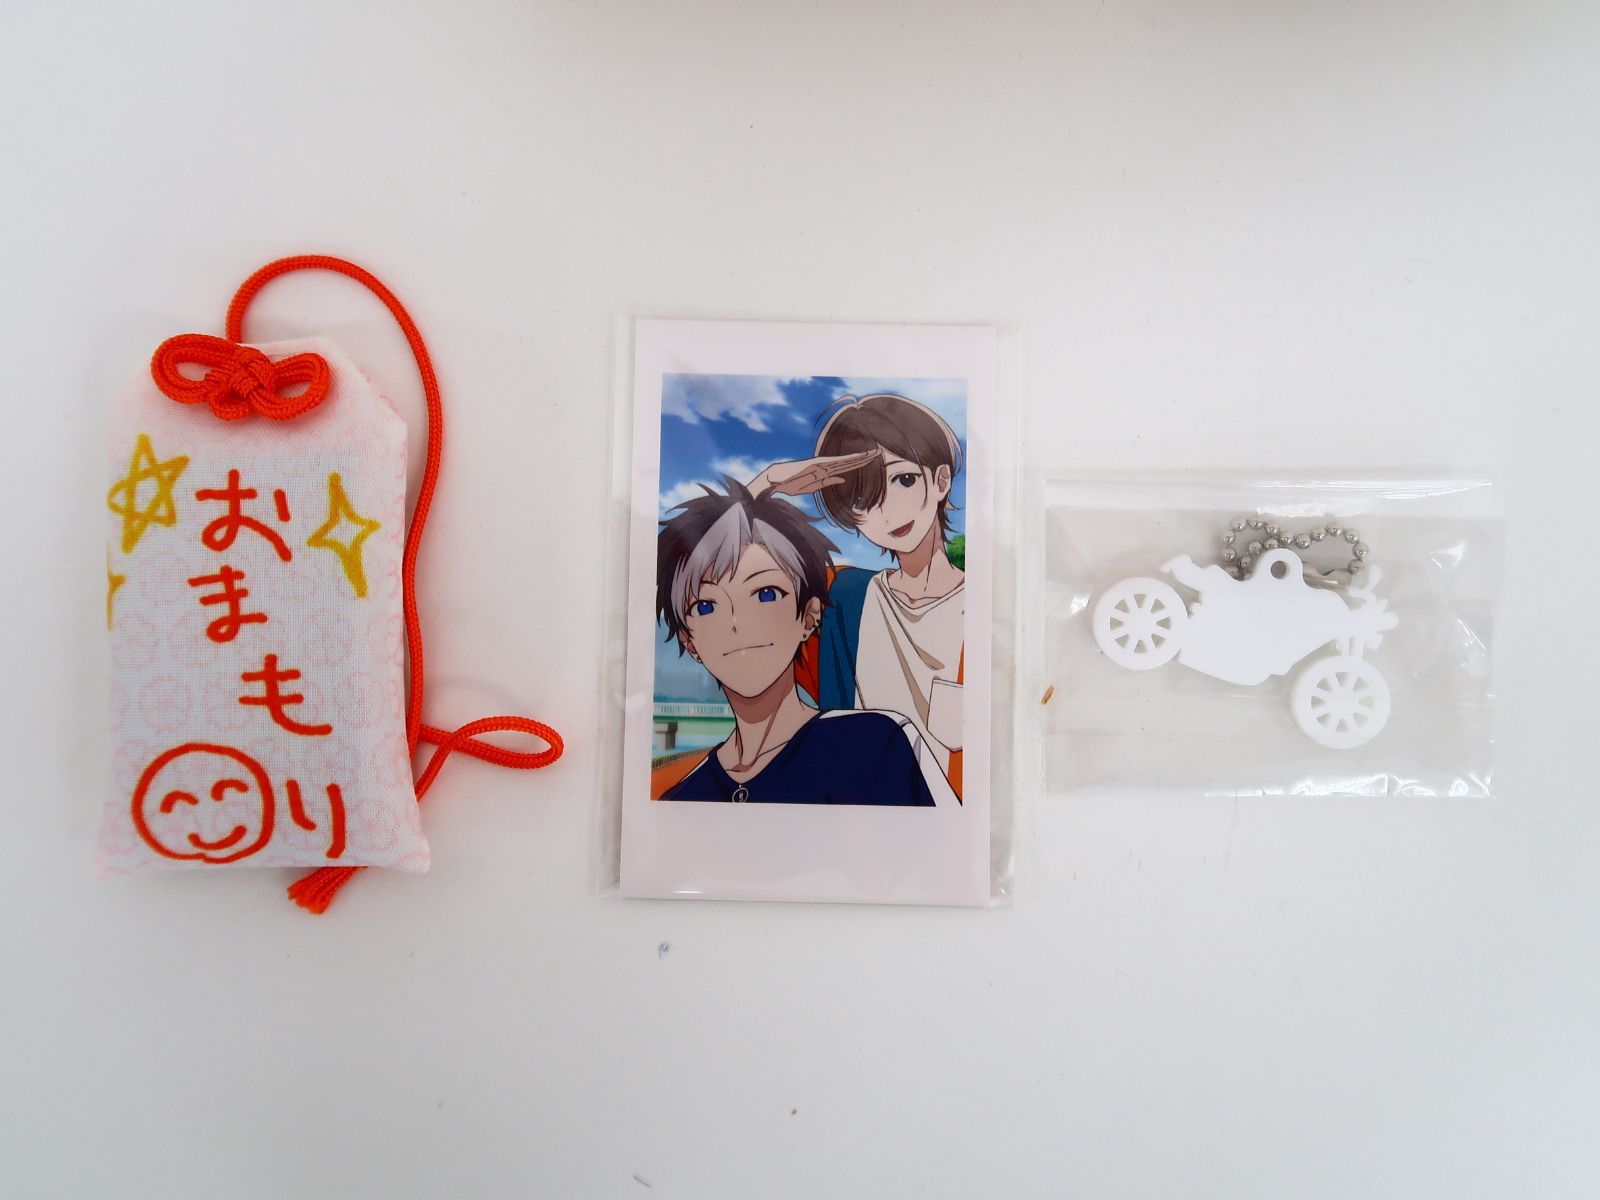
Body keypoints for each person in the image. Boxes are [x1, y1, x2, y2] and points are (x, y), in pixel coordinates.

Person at [652, 479, 955, 807]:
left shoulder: (877, 744)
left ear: (809, 616)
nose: (738, 624)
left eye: (766, 594)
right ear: (688, 639)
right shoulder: (683, 796)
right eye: (706, 606)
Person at [748, 394, 967, 796]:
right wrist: (767, 484)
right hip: (850, 812)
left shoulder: (982, 609)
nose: (887, 509)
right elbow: (720, 575)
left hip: (945, 821)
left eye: (903, 480)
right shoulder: (842, 596)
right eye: (862, 498)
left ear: (940, 481)